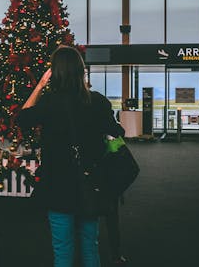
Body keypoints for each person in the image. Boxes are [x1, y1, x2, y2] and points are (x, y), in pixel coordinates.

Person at [16, 46, 124, 267]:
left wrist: (40, 85)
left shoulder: (49, 103)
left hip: (58, 185)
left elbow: (22, 118)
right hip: (90, 183)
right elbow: (117, 132)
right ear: (81, 71)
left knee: (62, 248)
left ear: (55, 73)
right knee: (89, 245)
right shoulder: (98, 102)